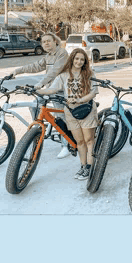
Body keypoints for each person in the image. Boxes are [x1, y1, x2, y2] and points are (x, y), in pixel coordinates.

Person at [37, 48, 99, 181]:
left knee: (89, 140)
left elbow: (93, 93)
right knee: (79, 141)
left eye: (82, 59)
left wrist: (79, 100)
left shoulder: (90, 74)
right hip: (70, 112)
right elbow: (53, 89)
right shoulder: (63, 75)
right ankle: (83, 166)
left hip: (87, 109)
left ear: (85, 61)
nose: (79, 61)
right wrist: (38, 91)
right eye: (77, 58)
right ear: (72, 59)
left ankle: (89, 167)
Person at [12, 32, 70, 159]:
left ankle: (66, 145)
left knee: (61, 116)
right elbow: (36, 66)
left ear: (55, 41)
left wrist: (40, 83)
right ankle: (39, 130)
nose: (46, 43)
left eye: (49, 41)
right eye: (44, 42)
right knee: (35, 105)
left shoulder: (62, 53)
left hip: (61, 89)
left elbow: (55, 72)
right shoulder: (48, 56)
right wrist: (18, 71)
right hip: (50, 88)